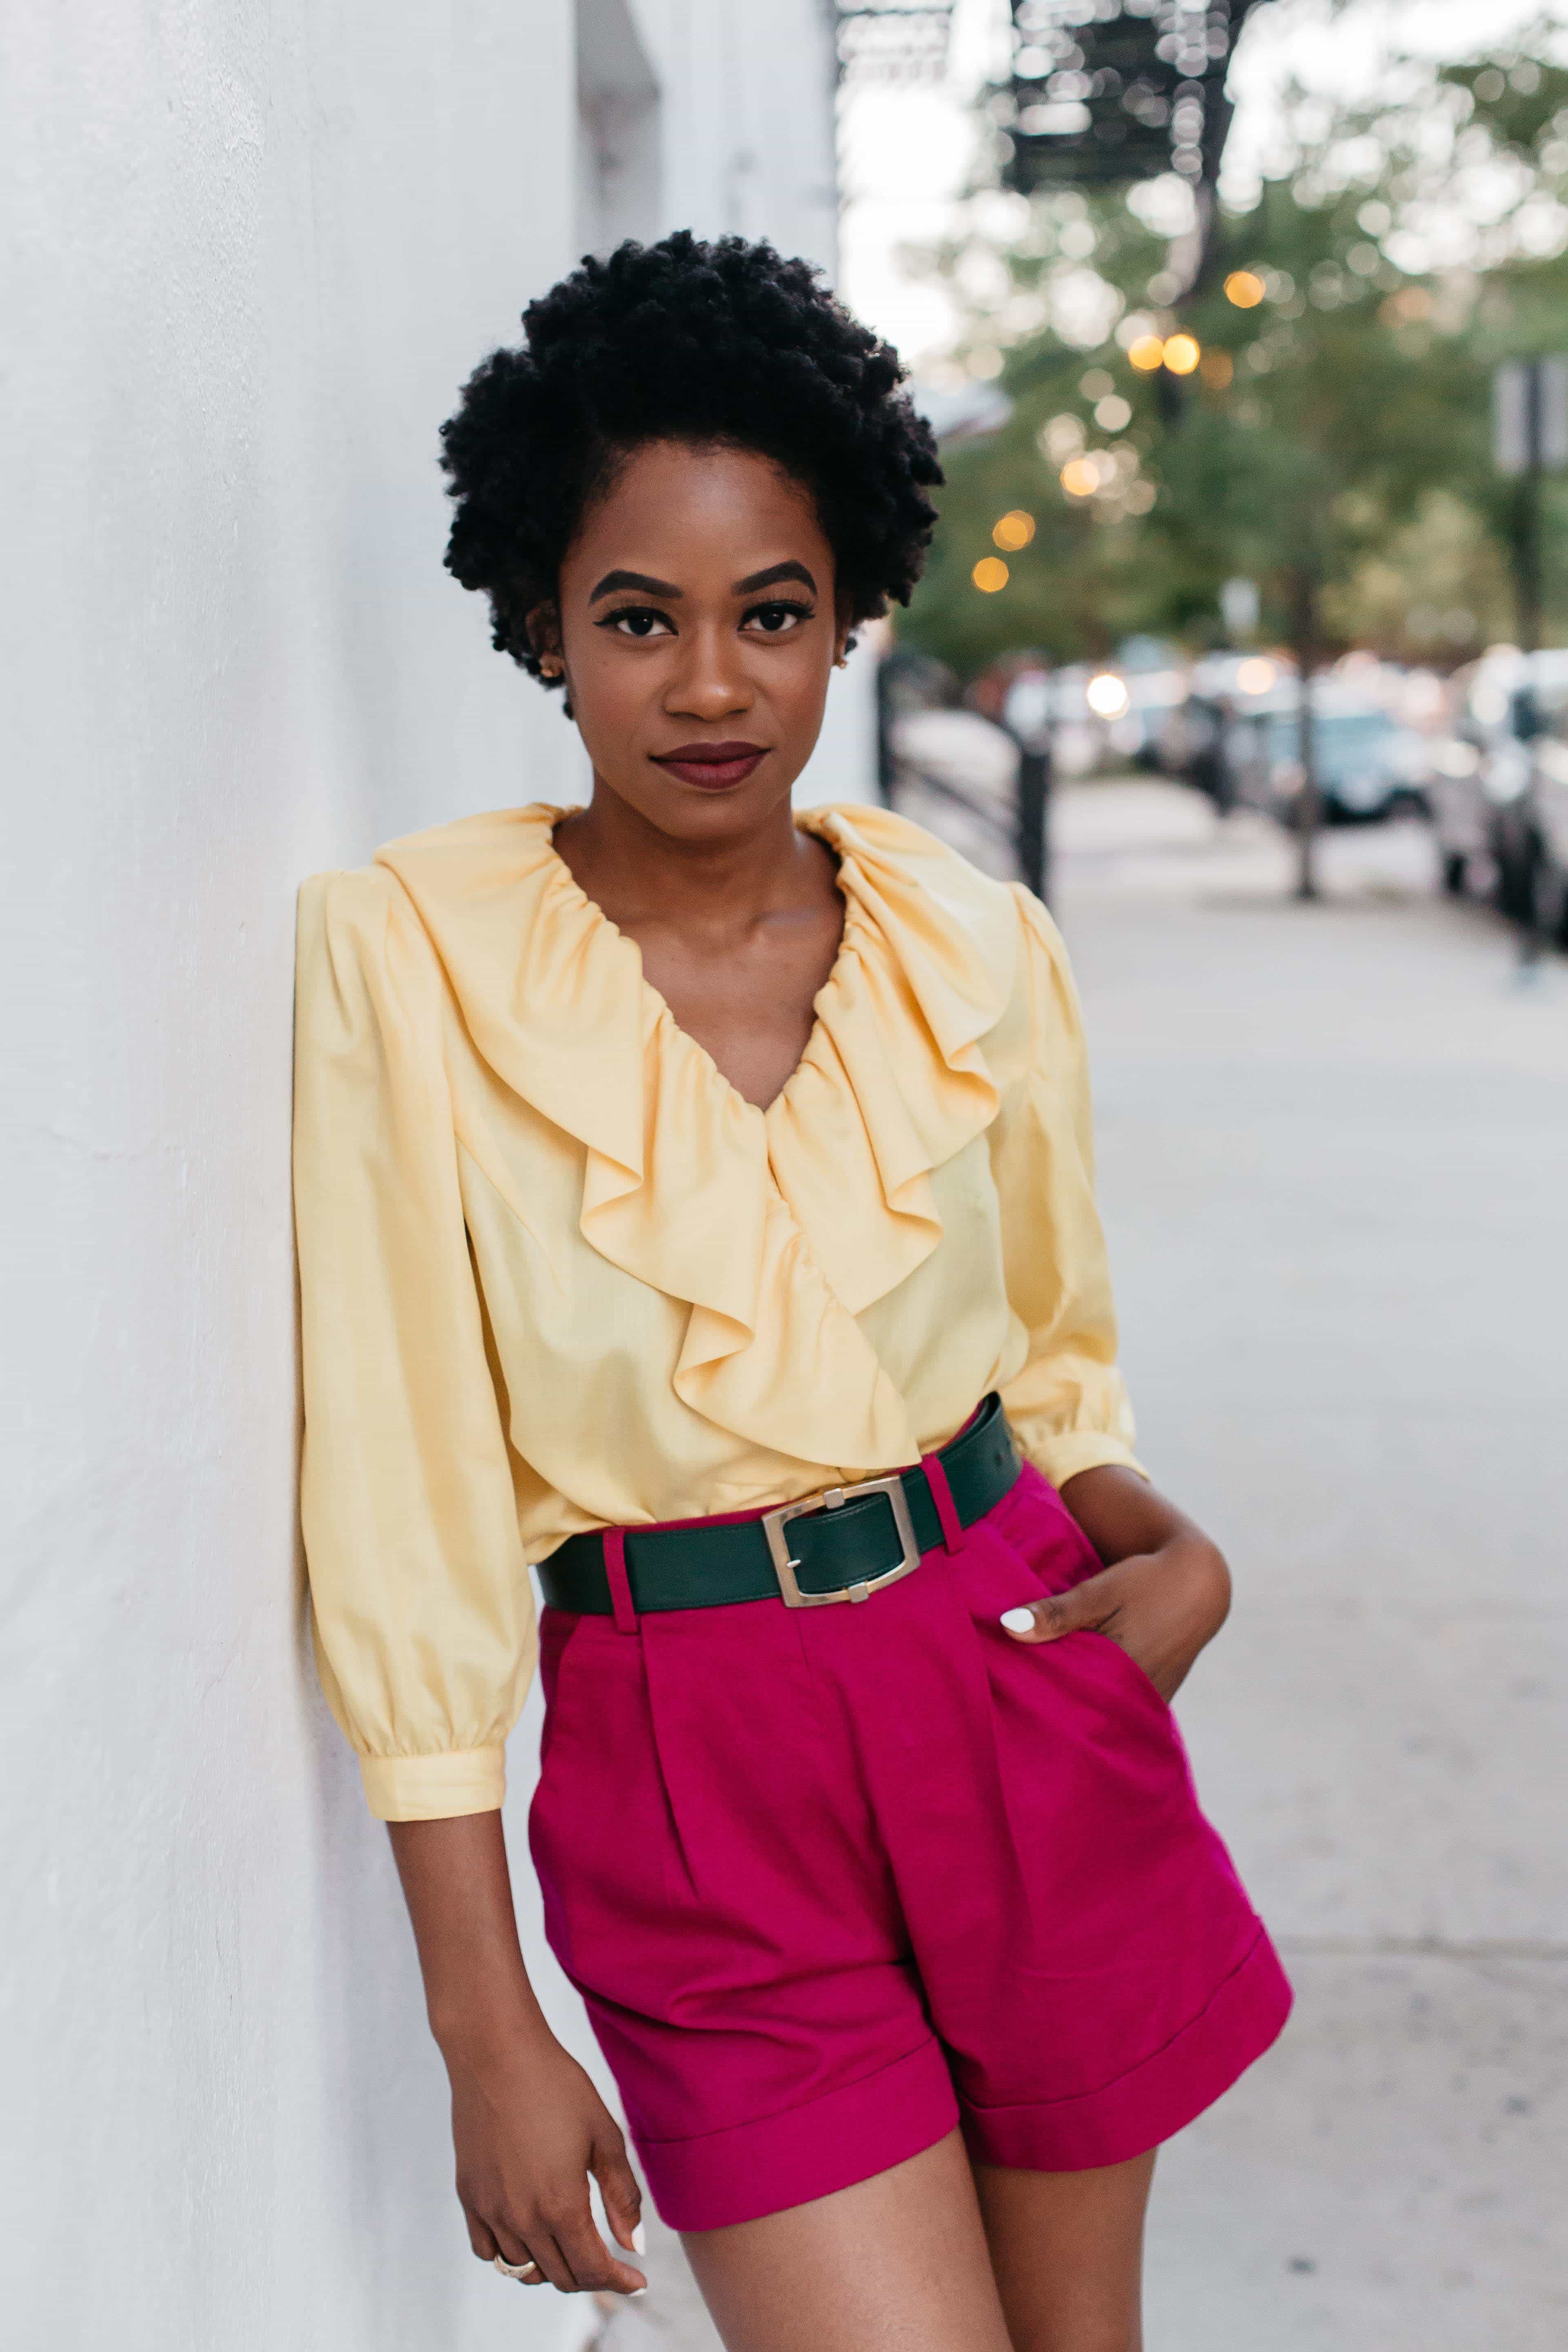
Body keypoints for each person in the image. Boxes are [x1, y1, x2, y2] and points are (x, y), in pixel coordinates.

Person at [293, 232, 1290, 2352]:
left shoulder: (974, 943)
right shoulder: (410, 956)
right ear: (545, 630)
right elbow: (401, 1498)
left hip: (1017, 1677)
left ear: (852, 617)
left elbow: (1054, 1354)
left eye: (777, 614)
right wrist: (486, 2021)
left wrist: (1167, 1553)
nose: (716, 686)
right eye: (639, 620)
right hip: (695, 1765)